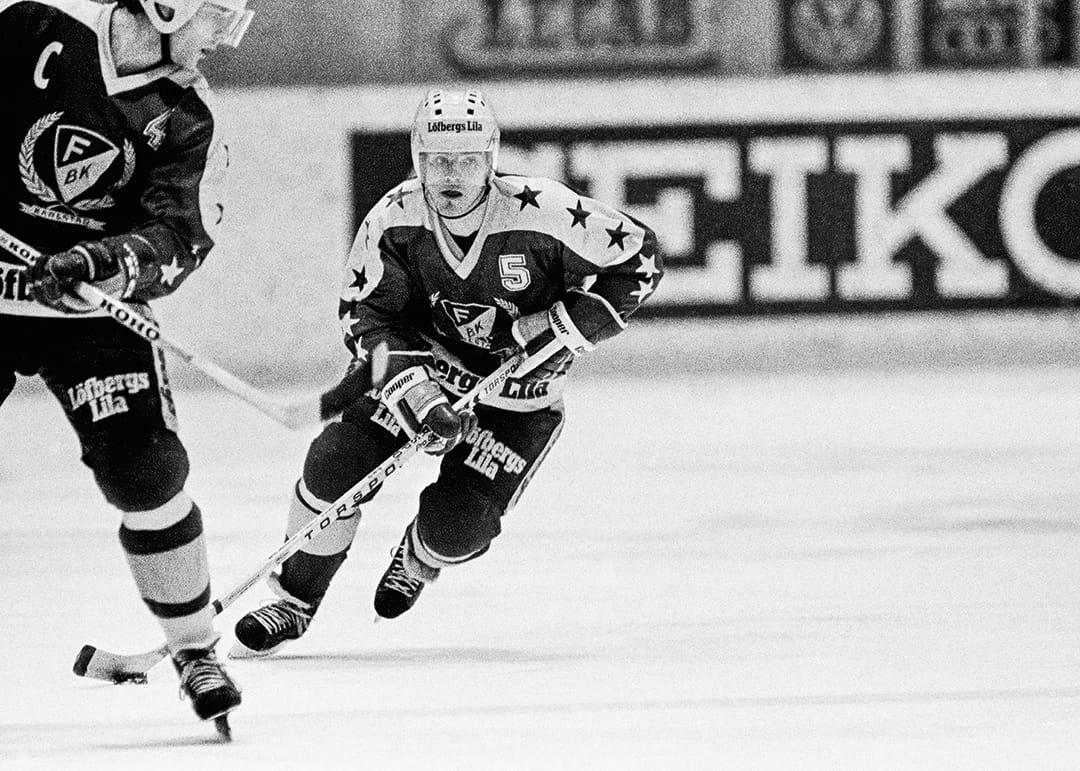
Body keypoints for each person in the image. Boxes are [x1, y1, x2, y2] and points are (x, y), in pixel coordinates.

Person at [230, 87, 663, 657]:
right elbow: (368, 317)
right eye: (437, 161)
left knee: (458, 530)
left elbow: (640, 258)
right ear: (418, 158)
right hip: (427, 374)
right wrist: (417, 394)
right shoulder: (395, 220)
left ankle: (418, 555)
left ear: (490, 159)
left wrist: (562, 326)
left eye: (466, 160)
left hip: (519, 400)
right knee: (334, 463)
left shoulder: (544, 213)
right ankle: (294, 600)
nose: (451, 175)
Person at [0, 0, 254, 730]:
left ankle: (195, 648)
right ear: (169, 4)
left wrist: (104, 261)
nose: (222, 39)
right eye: (216, 17)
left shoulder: (189, 117)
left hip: (88, 314)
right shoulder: (32, 26)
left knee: (146, 471)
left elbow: (180, 237)